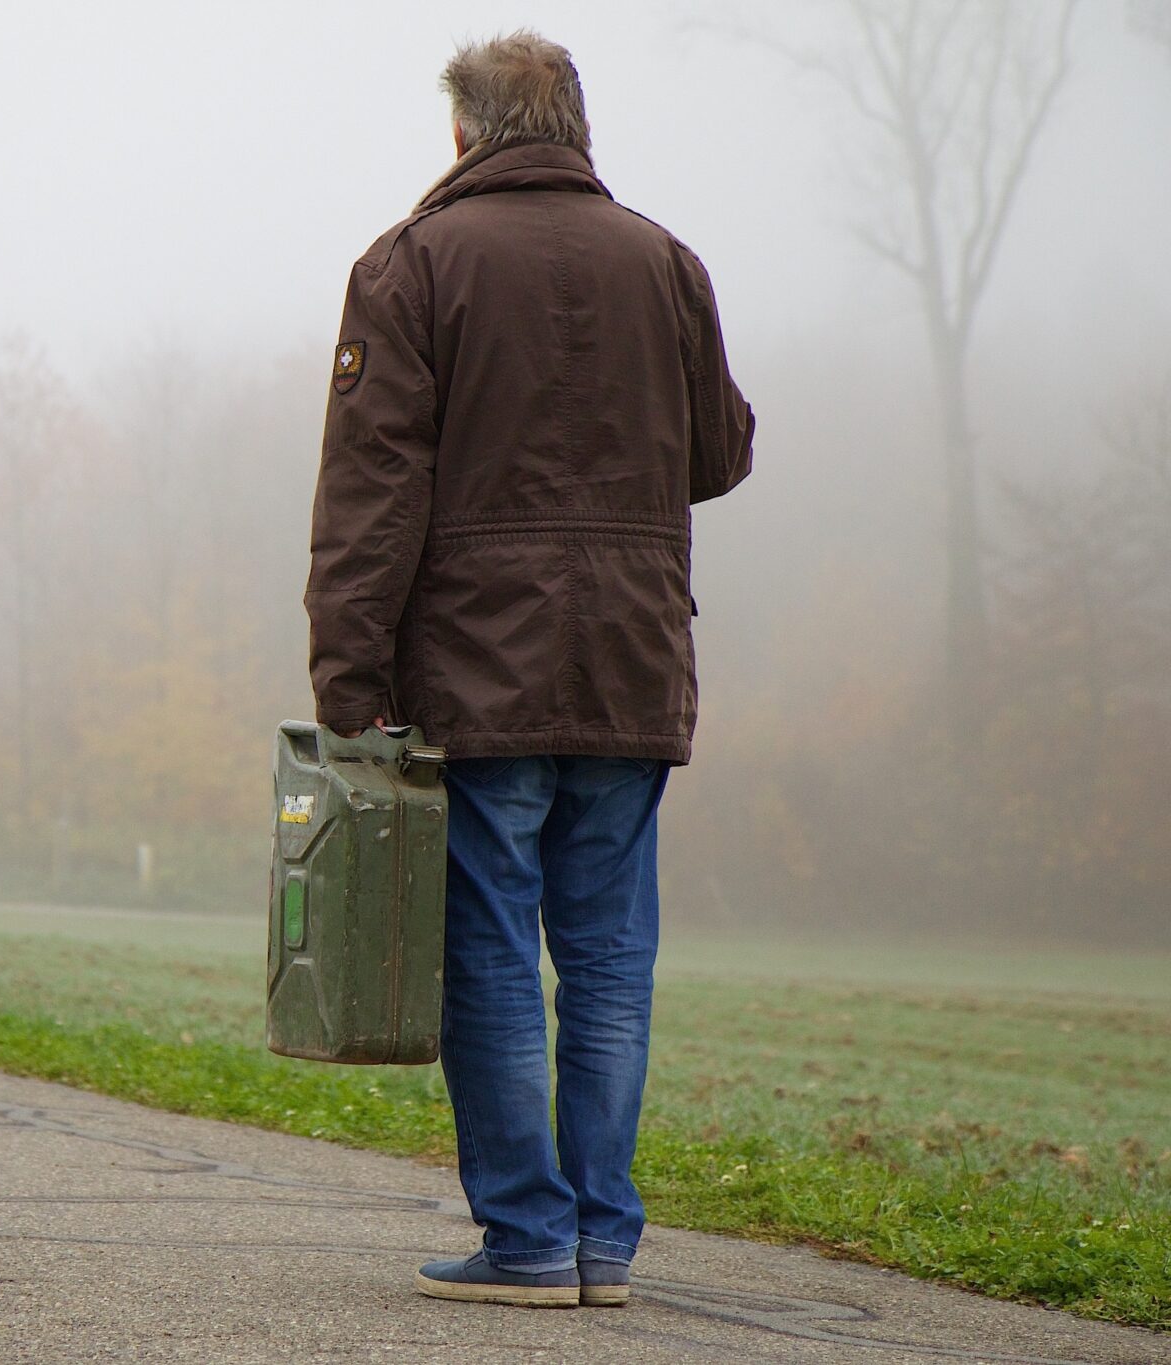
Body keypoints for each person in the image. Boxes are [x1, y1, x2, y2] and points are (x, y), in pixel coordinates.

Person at [304, 30, 754, 1309]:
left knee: (494, 955)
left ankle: (525, 1241)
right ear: (573, 126)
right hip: (628, 658)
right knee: (608, 959)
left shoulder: (408, 265)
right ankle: (601, 1247)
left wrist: (351, 681)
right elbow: (716, 454)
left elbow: (370, 495)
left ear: (462, 133)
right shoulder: (664, 263)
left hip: (479, 668)